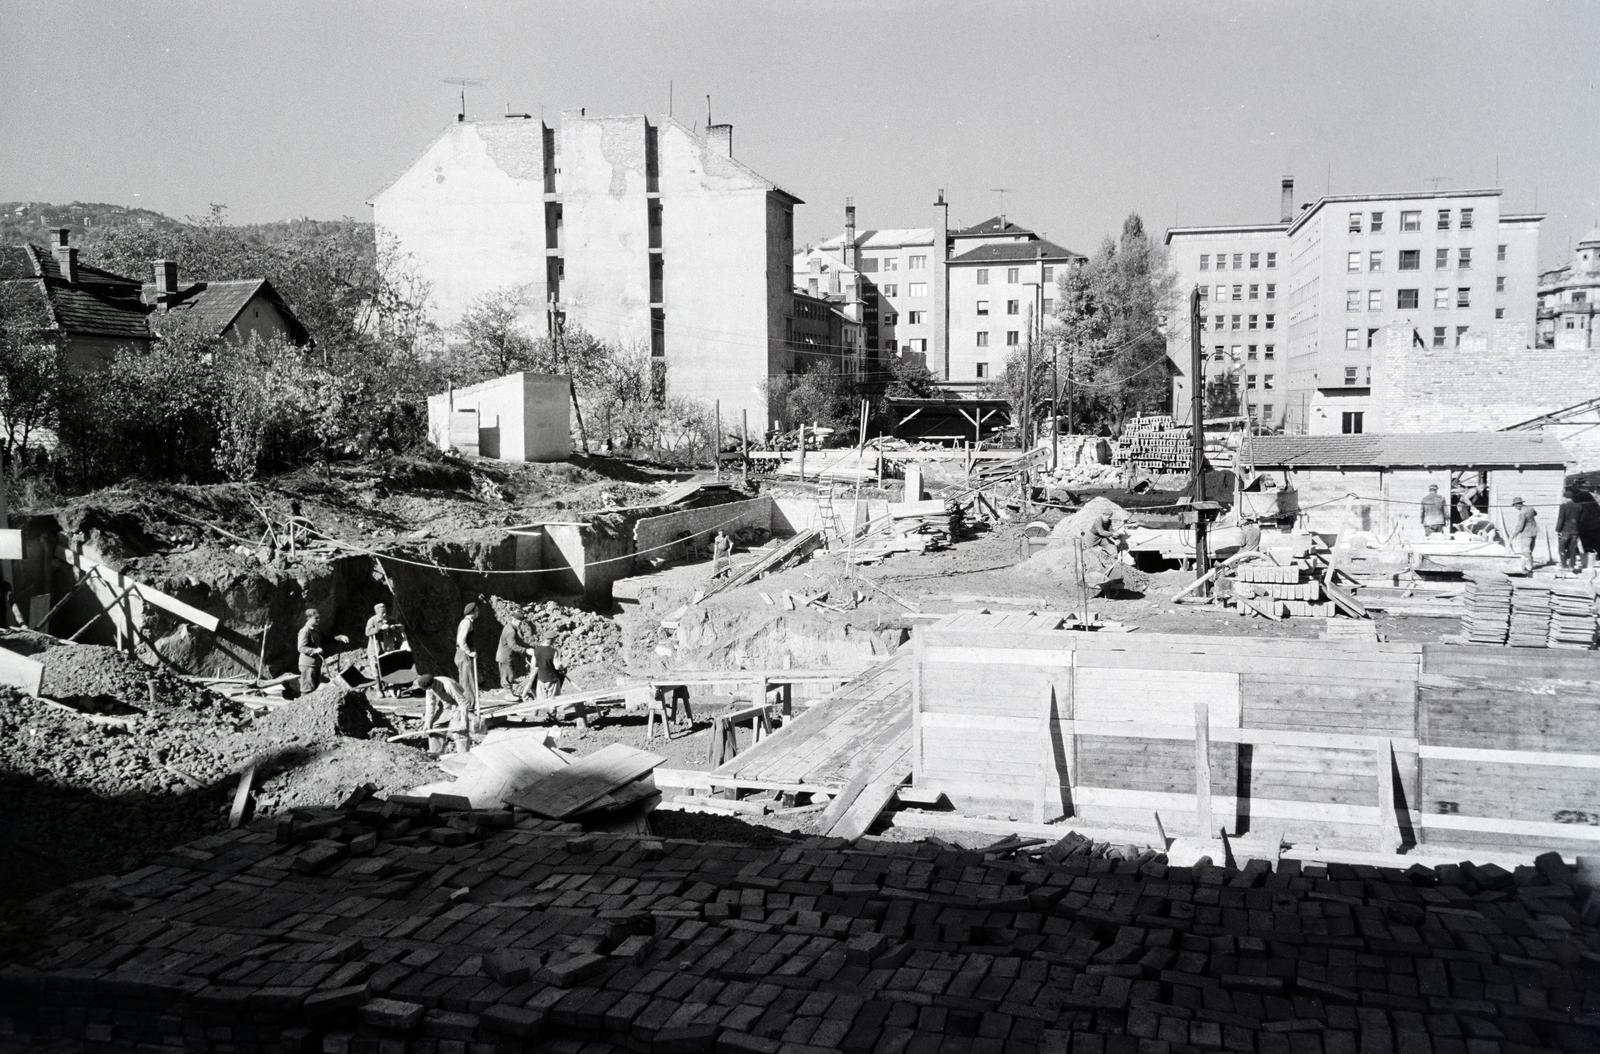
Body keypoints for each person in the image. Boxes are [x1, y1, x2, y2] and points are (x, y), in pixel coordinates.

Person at [415, 673, 475, 755]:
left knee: (459, 730)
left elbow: (463, 702)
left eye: (429, 688)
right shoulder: (428, 688)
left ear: (433, 684)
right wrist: (427, 722)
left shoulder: (448, 685)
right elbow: (430, 705)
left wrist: (463, 720)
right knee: (434, 727)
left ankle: (463, 756)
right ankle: (436, 755)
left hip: (458, 705)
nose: (428, 690)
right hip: (446, 705)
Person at [364, 602, 406, 697]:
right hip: (375, 648)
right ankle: (379, 688)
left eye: (385, 612)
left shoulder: (390, 619)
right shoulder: (372, 620)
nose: (384, 614)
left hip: (388, 647)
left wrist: (394, 627)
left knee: (389, 665)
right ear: (377, 613)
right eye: (381, 613)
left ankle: (392, 686)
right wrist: (379, 628)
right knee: (375, 666)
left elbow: (401, 627)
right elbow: (367, 632)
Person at [495, 617, 532, 694]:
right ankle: (508, 694)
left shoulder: (509, 626)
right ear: (514, 620)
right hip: (504, 656)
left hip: (505, 655)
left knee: (509, 675)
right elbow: (512, 645)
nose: (520, 624)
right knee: (508, 675)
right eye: (519, 622)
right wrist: (525, 650)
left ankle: (509, 690)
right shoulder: (511, 631)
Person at [530, 628, 566, 701]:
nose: (555, 640)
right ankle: (552, 712)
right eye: (554, 639)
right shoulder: (554, 651)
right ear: (551, 639)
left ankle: (547, 712)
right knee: (554, 701)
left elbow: (533, 665)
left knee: (542, 701)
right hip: (552, 680)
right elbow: (557, 666)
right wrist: (563, 667)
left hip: (540, 680)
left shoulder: (536, 651)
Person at [297, 608, 325, 696]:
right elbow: (301, 647)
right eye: (316, 618)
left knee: (314, 688)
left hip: (315, 664)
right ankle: (303, 708)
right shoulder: (304, 631)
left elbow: (326, 638)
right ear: (308, 618)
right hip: (307, 665)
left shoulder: (315, 631)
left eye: (319, 618)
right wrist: (314, 650)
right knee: (307, 690)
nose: (318, 620)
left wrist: (338, 638)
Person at [455, 602, 480, 704]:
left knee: (466, 681)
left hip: (461, 654)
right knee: (468, 682)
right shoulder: (466, 623)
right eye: (477, 610)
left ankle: (467, 705)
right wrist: (469, 652)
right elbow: (461, 640)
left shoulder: (466, 622)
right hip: (463, 655)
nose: (478, 612)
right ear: (473, 612)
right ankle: (469, 706)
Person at [1557, 489, 1585, 572]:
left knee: (1562, 548)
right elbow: (1581, 520)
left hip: (1565, 531)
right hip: (1575, 531)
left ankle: (1564, 565)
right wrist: (1578, 528)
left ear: (1566, 498)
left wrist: (1558, 530)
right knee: (1573, 548)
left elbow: (1560, 519)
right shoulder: (1579, 506)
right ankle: (1572, 566)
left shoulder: (1563, 506)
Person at [1510, 497, 1539, 572]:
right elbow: (1536, 513)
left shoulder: (1522, 513)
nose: (1515, 508)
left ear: (1517, 505)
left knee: (1526, 551)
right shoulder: (1530, 508)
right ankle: (1530, 565)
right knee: (1530, 550)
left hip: (1526, 533)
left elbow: (1520, 526)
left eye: (1515, 506)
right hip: (1534, 531)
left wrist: (1514, 535)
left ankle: (1529, 567)